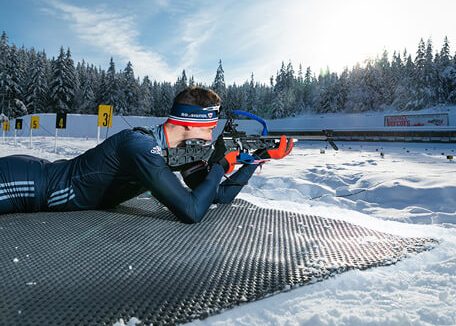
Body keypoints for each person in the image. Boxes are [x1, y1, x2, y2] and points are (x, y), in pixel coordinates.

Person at [0, 87, 293, 223]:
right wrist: (219, 164)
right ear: (191, 123)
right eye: (209, 128)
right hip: (29, 183)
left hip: (36, 182)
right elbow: (191, 212)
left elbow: (215, 196)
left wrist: (256, 158)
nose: (210, 136)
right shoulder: (140, 146)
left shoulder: (174, 151)